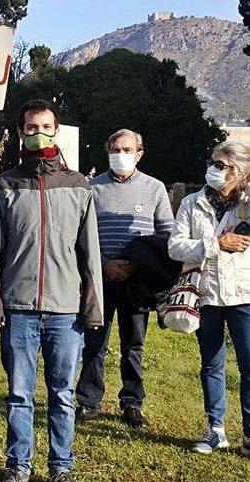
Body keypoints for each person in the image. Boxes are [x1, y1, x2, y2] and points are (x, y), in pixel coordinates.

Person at [0, 99, 103, 482]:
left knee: (63, 395)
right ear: (21, 133)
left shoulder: (78, 187)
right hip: (18, 310)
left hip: (66, 311)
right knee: (19, 395)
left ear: (56, 129)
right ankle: (18, 468)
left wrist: (93, 304)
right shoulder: (5, 186)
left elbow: (90, 254)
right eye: (31, 127)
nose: (38, 133)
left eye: (45, 126)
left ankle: (61, 469)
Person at [168, 141, 250, 461]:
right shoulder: (192, 202)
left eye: (224, 165)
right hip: (209, 293)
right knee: (212, 362)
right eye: (214, 162)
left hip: (245, 293)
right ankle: (216, 429)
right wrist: (216, 243)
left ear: (240, 170)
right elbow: (176, 247)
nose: (216, 169)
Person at [75, 129, 174, 429]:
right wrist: (104, 265)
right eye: (115, 149)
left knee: (134, 343)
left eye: (127, 149)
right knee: (94, 342)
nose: (121, 154)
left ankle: (132, 401)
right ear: (107, 151)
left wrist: (134, 266)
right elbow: (81, 234)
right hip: (100, 280)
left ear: (139, 153)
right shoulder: (91, 188)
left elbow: (167, 234)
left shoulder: (155, 189)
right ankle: (89, 401)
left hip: (137, 281)